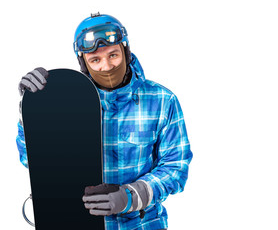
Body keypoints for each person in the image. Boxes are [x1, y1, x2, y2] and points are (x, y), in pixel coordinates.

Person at [16, 12, 193, 230]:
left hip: (143, 224)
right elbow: (33, 162)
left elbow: (176, 167)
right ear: (84, 63)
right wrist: (34, 109)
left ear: (126, 51)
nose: (107, 66)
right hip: (81, 223)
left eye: (113, 55)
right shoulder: (67, 103)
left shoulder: (162, 101)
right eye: (95, 60)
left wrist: (130, 196)